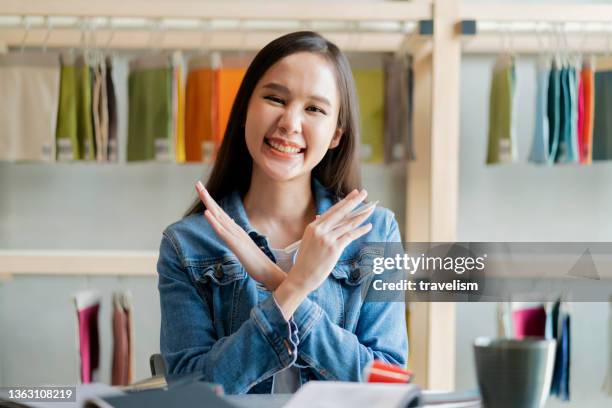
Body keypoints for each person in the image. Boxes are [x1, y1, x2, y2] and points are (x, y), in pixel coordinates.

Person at [157, 31, 407, 395]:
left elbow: (388, 383)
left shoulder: (376, 233)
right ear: (244, 110)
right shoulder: (187, 245)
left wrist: (275, 280)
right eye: (275, 98)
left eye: (314, 109)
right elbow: (192, 394)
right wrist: (293, 289)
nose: (290, 123)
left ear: (336, 134)